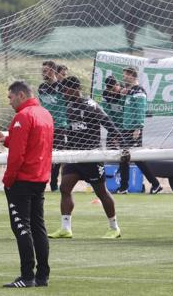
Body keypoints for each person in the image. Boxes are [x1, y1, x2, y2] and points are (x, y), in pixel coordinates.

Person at [0, 81, 53, 288]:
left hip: (22, 181)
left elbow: (17, 156)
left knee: (21, 226)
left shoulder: (23, 116)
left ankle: (27, 276)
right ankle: (42, 276)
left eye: (10, 97)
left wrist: (7, 181)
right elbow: (34, 143)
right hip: (40, 178)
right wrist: (6, 139)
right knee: (38, 227)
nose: (9, 102)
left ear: (20, 95)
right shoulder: (45, 114)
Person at [48, 76, 122, 240]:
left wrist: (120, 140)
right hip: (75, 157)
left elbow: (107, 122)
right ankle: (66, 228)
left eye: (65, 91)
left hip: (91, 157)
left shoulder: (91, 105)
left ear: (74, 89)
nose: (63, 94)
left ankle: (114, 227)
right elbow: (72, 131)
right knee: (65, 188)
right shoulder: (69, 106)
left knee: (101, 192)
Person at [117, 66, 162, 194]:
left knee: (131, 157)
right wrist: (122, 96)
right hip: (126, 128)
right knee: (129, 158)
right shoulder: (129, 91)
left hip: (133, 130)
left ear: (132, 75)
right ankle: (126, 187)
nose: (124, 77)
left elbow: (140, 111)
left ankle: (126, 187)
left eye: (125, 75)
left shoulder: (139, 91)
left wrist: (138, 128)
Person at [37, 61, 67, 191]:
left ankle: (56, 185)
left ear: (53, 71)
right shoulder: (41, 88)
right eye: (42, 70)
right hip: (45, 128)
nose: (43, 73)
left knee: (60, 157)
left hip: (60, 127)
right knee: (44, 157)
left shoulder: (61, 87)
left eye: (46, 70)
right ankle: (46, 183)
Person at [102, 76, 124, 149]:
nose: (111, 92)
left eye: (113, 89)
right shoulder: (105, 93)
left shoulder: (124, 92)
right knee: (110, 148)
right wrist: (113, 130)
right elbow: (106, 111)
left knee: (124, 148)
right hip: (113, 125)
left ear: (117, 84)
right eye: (109, 90)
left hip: (124, 126)